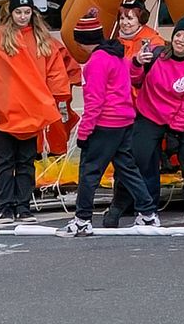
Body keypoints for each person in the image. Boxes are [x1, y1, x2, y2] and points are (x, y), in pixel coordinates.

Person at [0, 0, 72, 223]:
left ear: (32, 13)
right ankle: (5, 206)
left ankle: (24, 205)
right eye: (19, 11)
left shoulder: (43, 40)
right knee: (5, 162)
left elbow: (56, 73)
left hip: (31, 111)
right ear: (11, 12)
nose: (23, 16)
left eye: (27, 12)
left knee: (26, 162)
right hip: (4, 110)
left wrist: (60, 101)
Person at [65, 12, 158, 237]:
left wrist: (84, 132)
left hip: (105, 123)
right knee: (127, 169)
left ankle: (82, 218)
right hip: (124, 120)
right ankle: (148, 213)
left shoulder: (95, 62)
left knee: (89, 171)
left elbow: (94, 101)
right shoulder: (115, 55)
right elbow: (128, 75)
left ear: (83, 41)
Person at [122, 14, 184, 227]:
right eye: (178, 34)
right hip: (150, 115)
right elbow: (135, 80)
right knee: (138, 157)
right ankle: (137, 206)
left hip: (181, 121)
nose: (180, 40)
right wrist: (136, 63)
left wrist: (175, 132)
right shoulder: (156, 55)